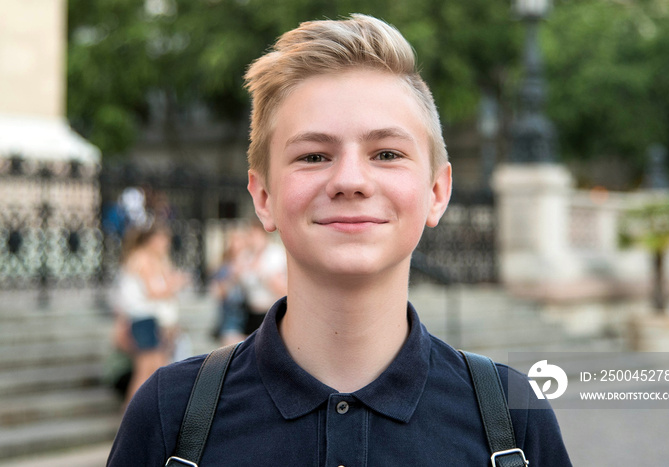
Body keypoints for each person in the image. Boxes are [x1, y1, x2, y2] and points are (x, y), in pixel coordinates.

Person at [108, 14, 571, 466]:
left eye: (387, 153)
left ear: (437, 192)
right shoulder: (171, 416)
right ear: (264, 196)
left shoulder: (512, 422)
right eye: (313, 155)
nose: (350, 180)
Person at [112, 221, 189, 407]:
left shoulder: (155, 260)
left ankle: (143, 417)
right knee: (145, 370)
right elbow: (152, 292)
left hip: (151, 320)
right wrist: (176, 284)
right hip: (143, 320)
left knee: (156, 369)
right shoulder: (142, 258)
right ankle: (129, 417)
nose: (166, 244)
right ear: (152, 240)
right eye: (162, 239)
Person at [209, 225, 250, 346]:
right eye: (234, 240)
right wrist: (233, 277)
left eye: (240, 240)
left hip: (252, 318)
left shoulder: (252, 261)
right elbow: (217, 293)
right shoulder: (224, 267)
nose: (237, 244)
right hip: (231, 319)